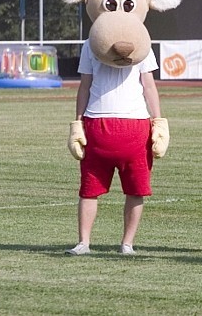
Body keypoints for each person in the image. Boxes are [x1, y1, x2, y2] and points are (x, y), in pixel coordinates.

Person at [65, 41, 167, 256]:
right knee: (89, 188)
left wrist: (159, 120)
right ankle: (84, 242)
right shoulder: (91, 44)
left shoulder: (142, 43)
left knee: (136, 188)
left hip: (136, 122)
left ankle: (127, 243)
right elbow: (85, 84)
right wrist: (78, 122)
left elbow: (148, 85)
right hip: (97, 120)